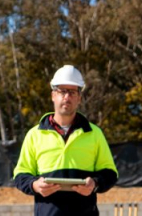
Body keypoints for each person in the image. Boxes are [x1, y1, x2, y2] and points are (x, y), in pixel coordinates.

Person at [14, 65, 118, 216]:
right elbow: (20, 175)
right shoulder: (34, 135)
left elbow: (110, 173)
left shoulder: (95, 134)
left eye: (72, 92)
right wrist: (35, 185)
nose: (67, 97)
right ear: (53, 95)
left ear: (79, 98)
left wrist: (94, 183)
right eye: (62, 91)